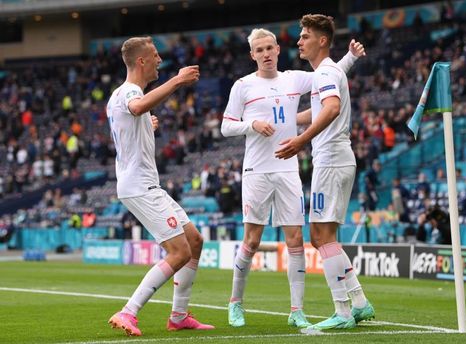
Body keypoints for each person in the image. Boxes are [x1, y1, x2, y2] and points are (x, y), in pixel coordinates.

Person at [221, 27, 365, 328]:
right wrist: (252, 125)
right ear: (252, 55)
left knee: (296, 240)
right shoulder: (242, 86)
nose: (265, 54)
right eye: (259, 50)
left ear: (277, 49)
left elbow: (331, 75)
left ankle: (296, 310)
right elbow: (226, 126)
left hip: (288, 170)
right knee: (252, 239)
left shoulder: (293, 78)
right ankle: (235, 302)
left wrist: (350, 57)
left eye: (269, 48)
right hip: (257, 171)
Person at [106, 36, 213, 337]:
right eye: (154, 56)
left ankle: (179, 316)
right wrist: (177, 81)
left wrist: (145, 126)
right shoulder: (130, 92)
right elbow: (138, 107)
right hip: (140, 186)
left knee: (194, 242)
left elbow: (132, 120)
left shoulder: (118, 96)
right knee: (178, 252)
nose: (159, 61)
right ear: (141, 61)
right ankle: (129, 311)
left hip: (144, 184)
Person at [275, 14, 375, 330]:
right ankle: (359, 302)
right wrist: (286, 123)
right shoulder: (327, 72)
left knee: (321, 236)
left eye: (305, 36)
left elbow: (330, 109)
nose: (299, 41)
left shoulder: (325, 73)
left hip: (331, 161)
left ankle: (343, 312)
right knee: (323, 235)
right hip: (336, 159)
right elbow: (319, 108)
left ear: (321, 40)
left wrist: (300, 141)